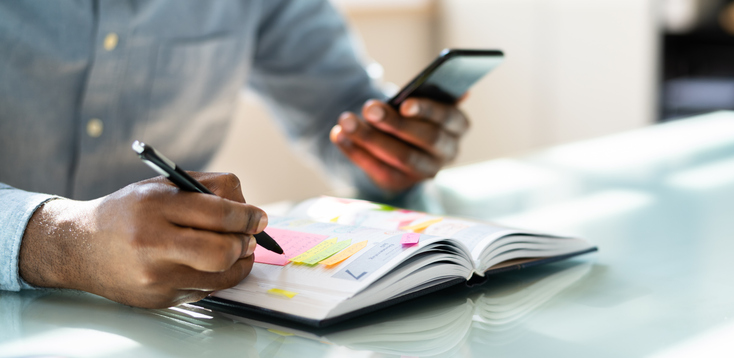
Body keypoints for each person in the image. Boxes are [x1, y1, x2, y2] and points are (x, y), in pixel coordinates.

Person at [0, 1, 469, 308]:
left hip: (172, 323)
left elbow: (336, 104)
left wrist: (391, 150)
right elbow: (63, 241)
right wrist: (61, 240)